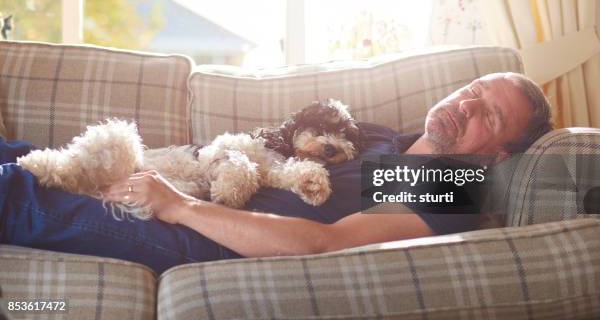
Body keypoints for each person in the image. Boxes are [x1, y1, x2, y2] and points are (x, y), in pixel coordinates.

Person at [0, 72, 553, 274]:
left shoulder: (445, 185)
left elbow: (324, 243)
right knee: (20, 155)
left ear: (495, 156)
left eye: (490, 115)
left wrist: (180, 205)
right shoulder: (386, 139)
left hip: (198, 235)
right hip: (187, 181)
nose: (467, 104)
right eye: (474, 90)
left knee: (16, 193)